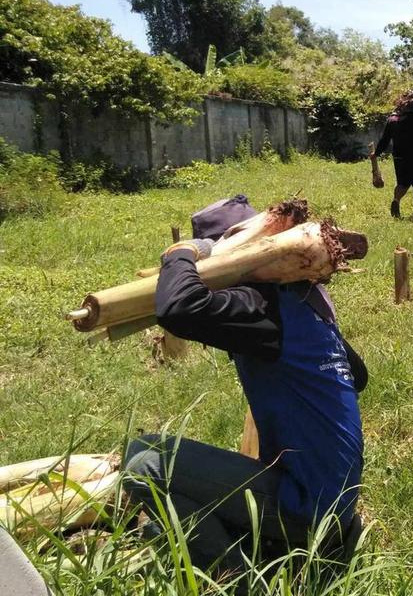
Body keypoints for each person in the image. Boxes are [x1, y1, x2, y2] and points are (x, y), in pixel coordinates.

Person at [122, 196, 368, 575]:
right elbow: (359, 375)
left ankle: (238, 578)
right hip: (336, 501)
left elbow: (179, 308)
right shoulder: (303, 302)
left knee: (144, 460)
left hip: (307, 507)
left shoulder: (259, 306)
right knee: (161, 526)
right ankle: (271, 542)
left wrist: (181, 253)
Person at [373, 87, 413, 219]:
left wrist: (376, 153)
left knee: (403, 184)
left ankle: (396, 200)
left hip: (399, 158)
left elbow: (384, 139)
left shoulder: (392, 119)